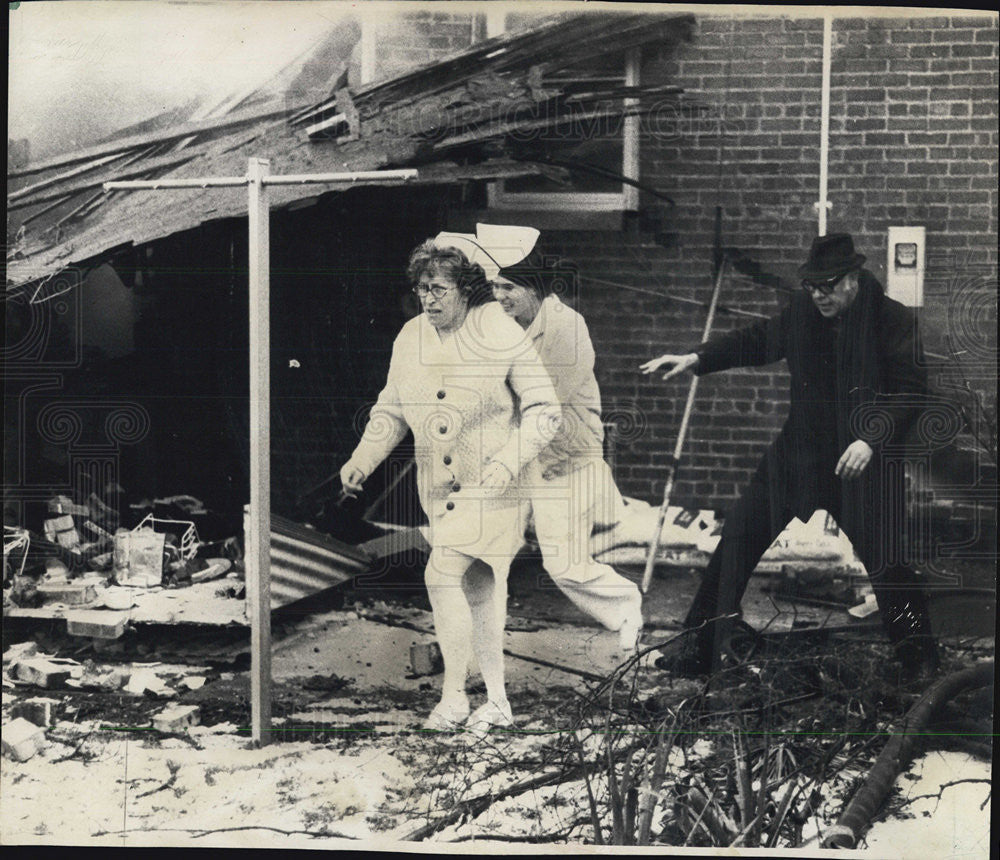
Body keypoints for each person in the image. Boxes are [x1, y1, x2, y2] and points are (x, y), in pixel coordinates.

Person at [640, 233, 939, 682]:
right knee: (738, 538)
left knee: (888, 562)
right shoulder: (803, 312)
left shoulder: (892, 320)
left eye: (828, 285)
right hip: (798, 454)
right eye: (812, 286)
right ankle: (699, 647)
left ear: (853, 278)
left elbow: (913, 390)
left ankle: (919, 662)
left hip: (864, 464)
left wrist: (870, 438)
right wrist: (697, 357)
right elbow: (757, 340)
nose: (818, 295)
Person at [341, 240, 561, 731]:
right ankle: (499, 701)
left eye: (439, 289)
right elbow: (392, 409)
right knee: (479, 588)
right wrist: (363, 457)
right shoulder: (410, 337)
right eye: (421, 289)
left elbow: (546, 411)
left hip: (496, 487)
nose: (429, 299)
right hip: (439, 492)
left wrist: (507, 462)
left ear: (465, 290)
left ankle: (454, 697)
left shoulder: (500, 332)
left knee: (441, 574)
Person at [490, 246, 644, 651]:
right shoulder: (508, 325)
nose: (499, 296)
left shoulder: (566, 328)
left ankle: (627, 607)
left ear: (535, 288)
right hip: (525, 460)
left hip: (566, 464)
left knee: (565, 566)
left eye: (508, 287)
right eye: (494, 287)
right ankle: (477, 637)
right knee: (481, 549)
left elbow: (542, 405)